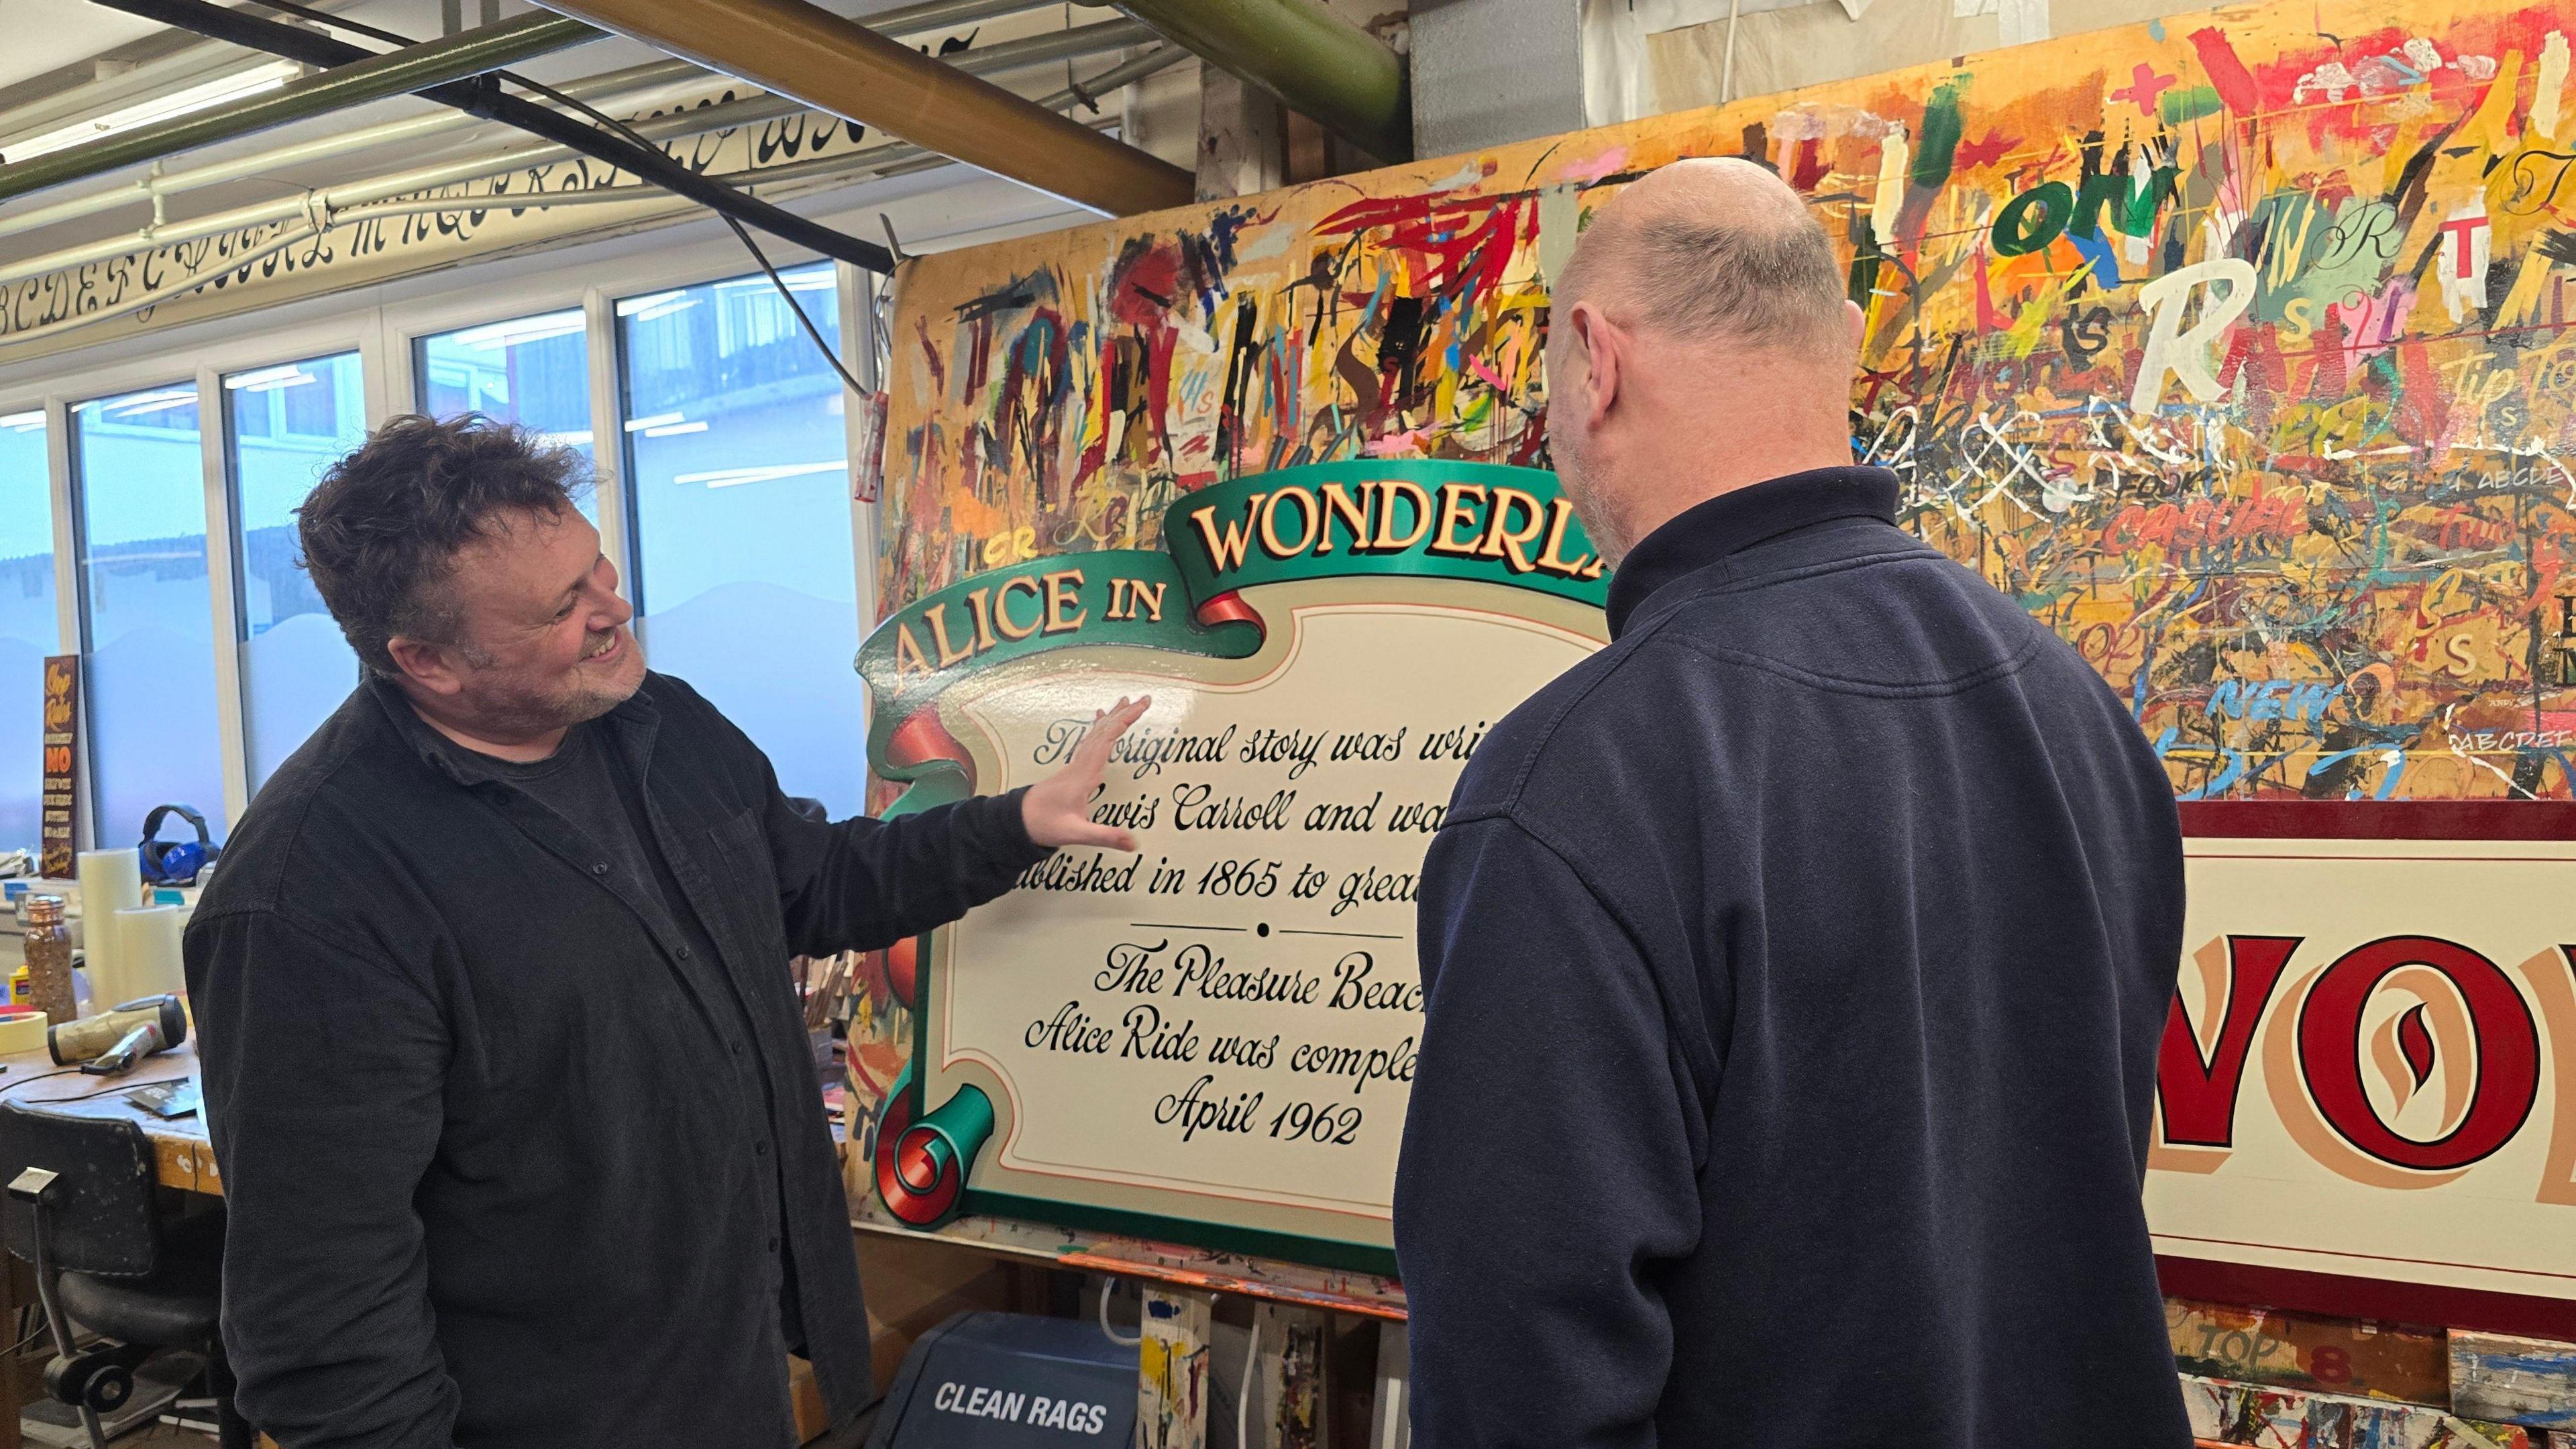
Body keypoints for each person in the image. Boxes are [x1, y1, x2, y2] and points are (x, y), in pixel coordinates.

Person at [1391, 158, 2190, 1446]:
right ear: (1837, 355)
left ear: (1595, 360)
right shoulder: (2081, 712)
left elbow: (1521, 1382)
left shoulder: (1577, 780)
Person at [186, 415, 1145, 1449]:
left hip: (730, 1373)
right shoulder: (310, 899)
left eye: (598, 568)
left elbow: (814, 884)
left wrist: (1013, 825)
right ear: (428, 660)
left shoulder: (656, 722)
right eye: (564, 607)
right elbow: (324, 1325)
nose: (615, 610)